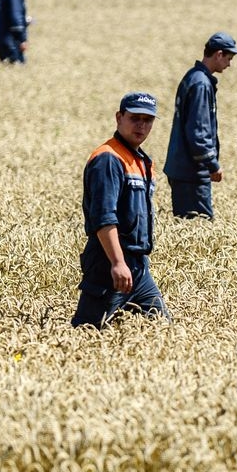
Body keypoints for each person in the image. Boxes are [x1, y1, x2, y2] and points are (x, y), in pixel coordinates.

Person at [72, 92, 171, 328]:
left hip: (138, 266)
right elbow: (104, 218)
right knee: (88, 331)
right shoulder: (108, 158)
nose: (141, 125)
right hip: (109, 263)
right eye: (135, 118)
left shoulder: (140, 160)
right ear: (119, 118)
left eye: (148, 120)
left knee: (162, 327)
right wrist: (117, 262)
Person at [164, 31, 237, 219]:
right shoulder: (201, 83)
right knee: (198, 224)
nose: (229, 64)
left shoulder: (192, 76)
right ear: (219, 54)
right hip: (191, 171)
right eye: (229, 58)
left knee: (189, 226)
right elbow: (198, 132)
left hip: (182, 168)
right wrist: (212, 164)